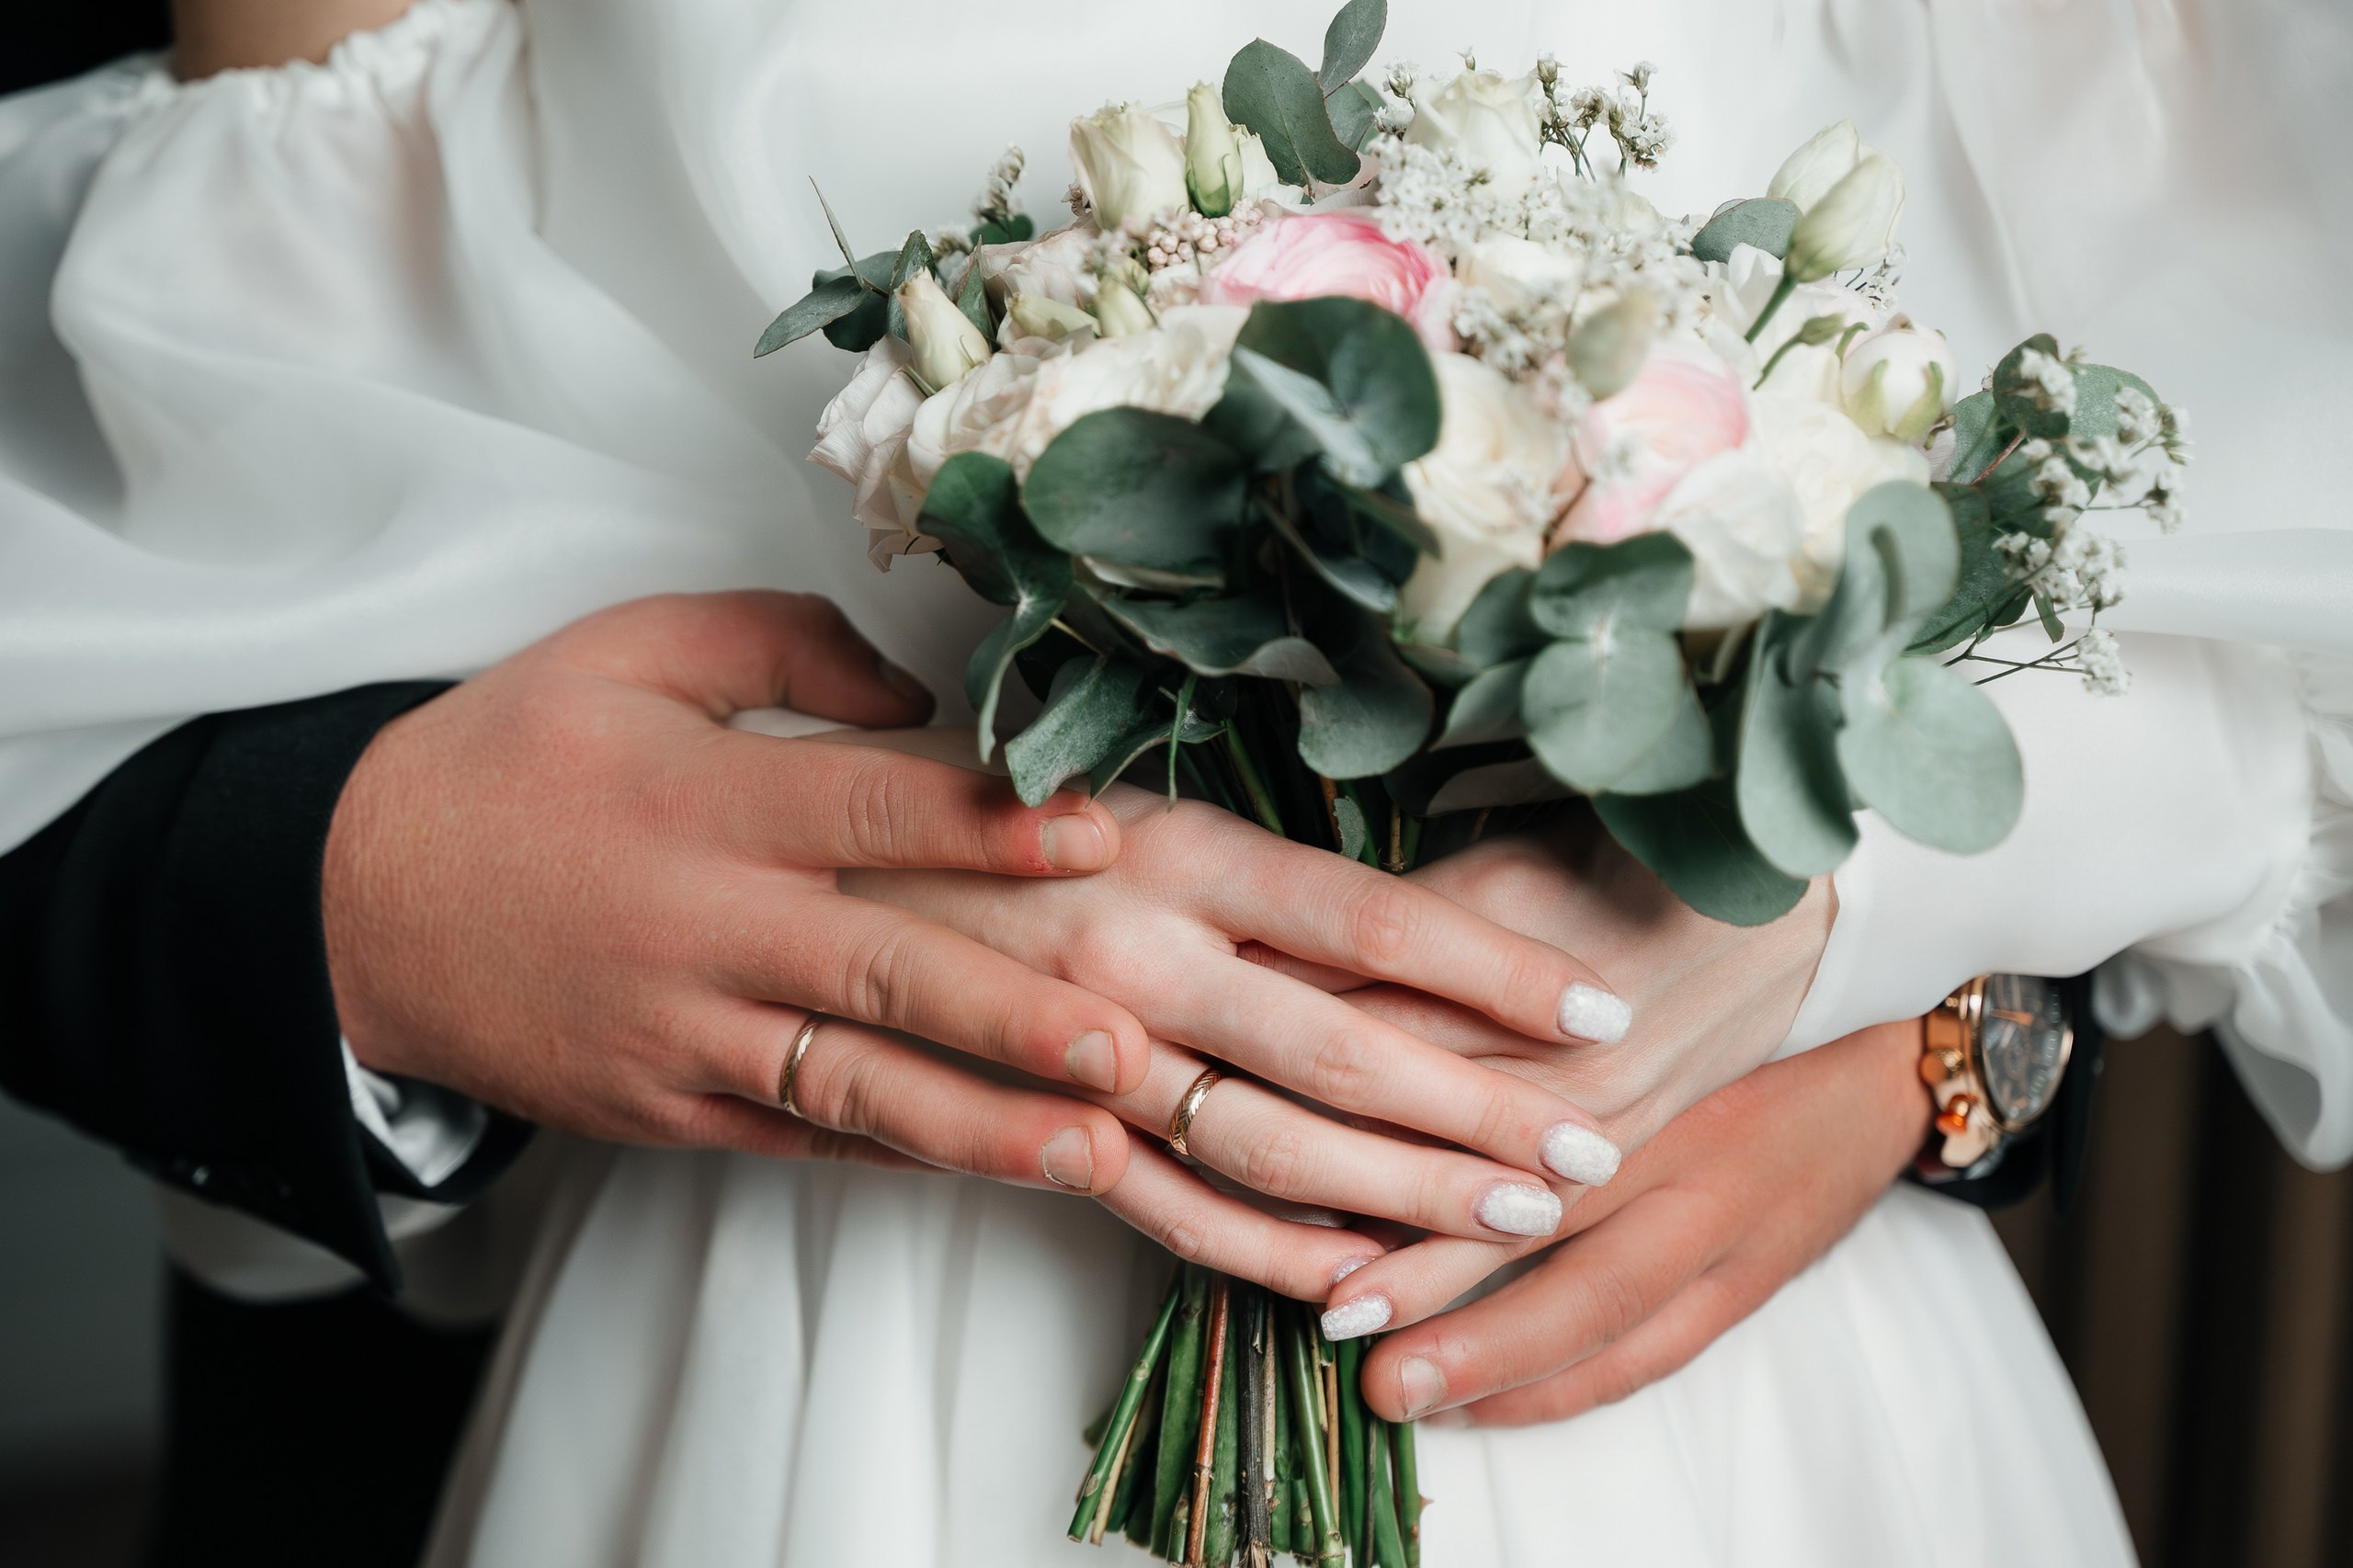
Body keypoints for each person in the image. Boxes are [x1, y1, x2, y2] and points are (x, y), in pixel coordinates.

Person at [0, 2, 2345, 1567]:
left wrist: (1909, 990)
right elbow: (155, 547)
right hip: (795, 1374)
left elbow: (2232, 515)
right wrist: (377, 891)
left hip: (1726, 1397)